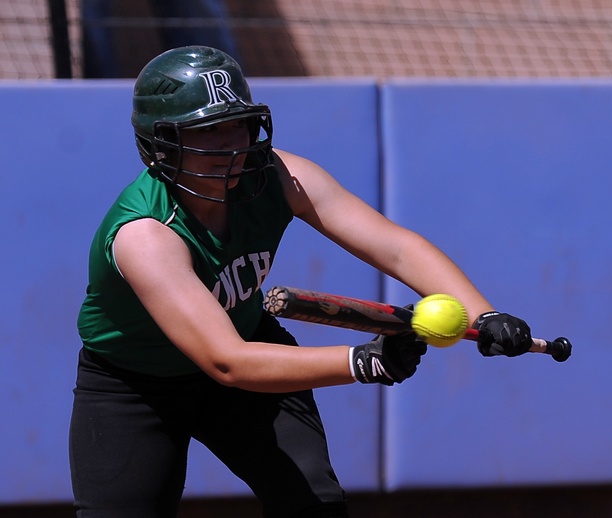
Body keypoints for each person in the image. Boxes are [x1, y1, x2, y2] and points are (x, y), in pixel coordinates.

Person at [69, 46, 533, 518]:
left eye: (238, 125)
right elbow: (227, 362)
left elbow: (396, 247)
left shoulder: (281, 176)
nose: (230, 145)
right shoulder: (146, 235)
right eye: (207, 132)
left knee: (313, 507)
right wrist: (363, 362)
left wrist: (483, 312)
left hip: (251, 346)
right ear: (160, 146)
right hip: (135, 386)